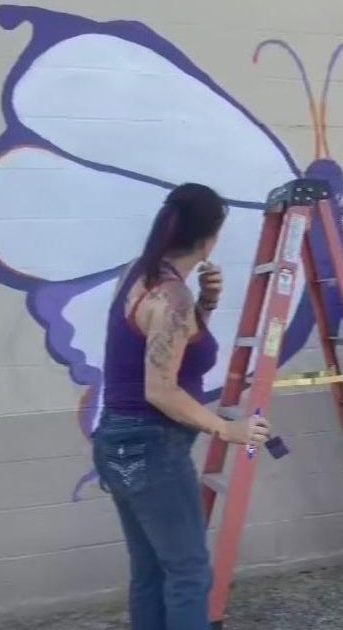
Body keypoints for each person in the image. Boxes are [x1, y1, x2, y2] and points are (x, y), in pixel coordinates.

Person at [92, 183, 270, 629]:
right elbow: (161, 390)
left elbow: (174, 349)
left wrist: (206, 304)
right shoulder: (171, 298)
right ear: (211, 238)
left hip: (119, 441)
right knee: (189, 572)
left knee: (152, 569)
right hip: (152, 445)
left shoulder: (140, 275)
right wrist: (225, 429)